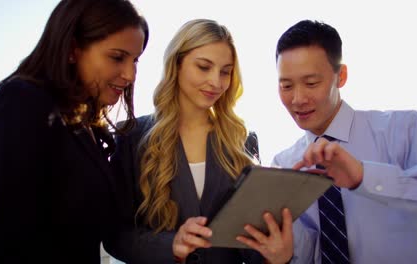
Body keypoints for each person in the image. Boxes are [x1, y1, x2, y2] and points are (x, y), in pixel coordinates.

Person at [0, 0, 148, 263]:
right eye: (117, 57)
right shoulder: (21, 102)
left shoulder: (83, 125)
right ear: (72, 49)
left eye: (135, 60)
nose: (130, 74)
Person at [106, 19, 294, 264]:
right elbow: (115, 236)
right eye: (204, 67)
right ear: (177, 64)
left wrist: (277, 256)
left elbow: (249, 246)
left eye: (225, 72)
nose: (216, 82)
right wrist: (171, 245)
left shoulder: (241, 140)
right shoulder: (132, 136)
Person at [272, 19, 417, 263]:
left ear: (341, 76)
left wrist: (363, 177)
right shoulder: (284, 165)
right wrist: (283, 255)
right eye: (286, 85)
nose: (297, 99)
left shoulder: (403, 130)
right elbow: (307, 253)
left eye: (311, 83)